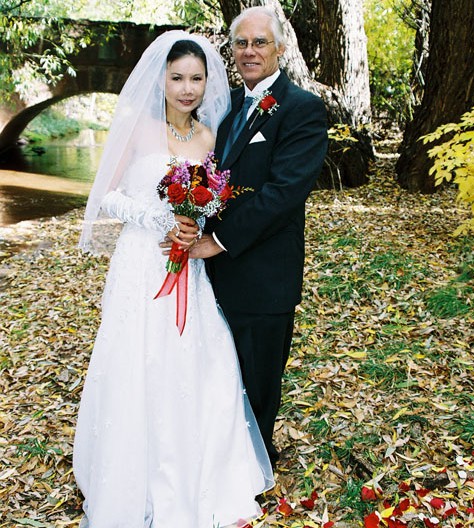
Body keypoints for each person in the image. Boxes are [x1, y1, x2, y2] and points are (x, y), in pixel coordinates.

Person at [73, 31, 273, 528]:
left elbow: (214, 201)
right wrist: (156, 219)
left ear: (208, 83)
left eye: (196, 79)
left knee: (195, 360)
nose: (187, 88)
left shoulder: (210, 137)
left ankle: (199, 476)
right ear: (161, 78)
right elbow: (106, 197)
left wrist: (195, 223)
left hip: (188, 265)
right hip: (142, 263)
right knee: (137, 357)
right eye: (178, 77)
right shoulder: (137, 128)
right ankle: (127, 476)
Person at [189, 7, 329, 465]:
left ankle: (256, 466)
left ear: (280, 49)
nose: (249, 52)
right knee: (217, 373)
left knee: (260, 376)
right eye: (241, 44)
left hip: (265, 273)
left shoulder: (302, 109)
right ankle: (219, 459)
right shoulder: (224, 105)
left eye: (260, 43)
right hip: (210, 273)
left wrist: (220, 240)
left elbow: (283, 194)